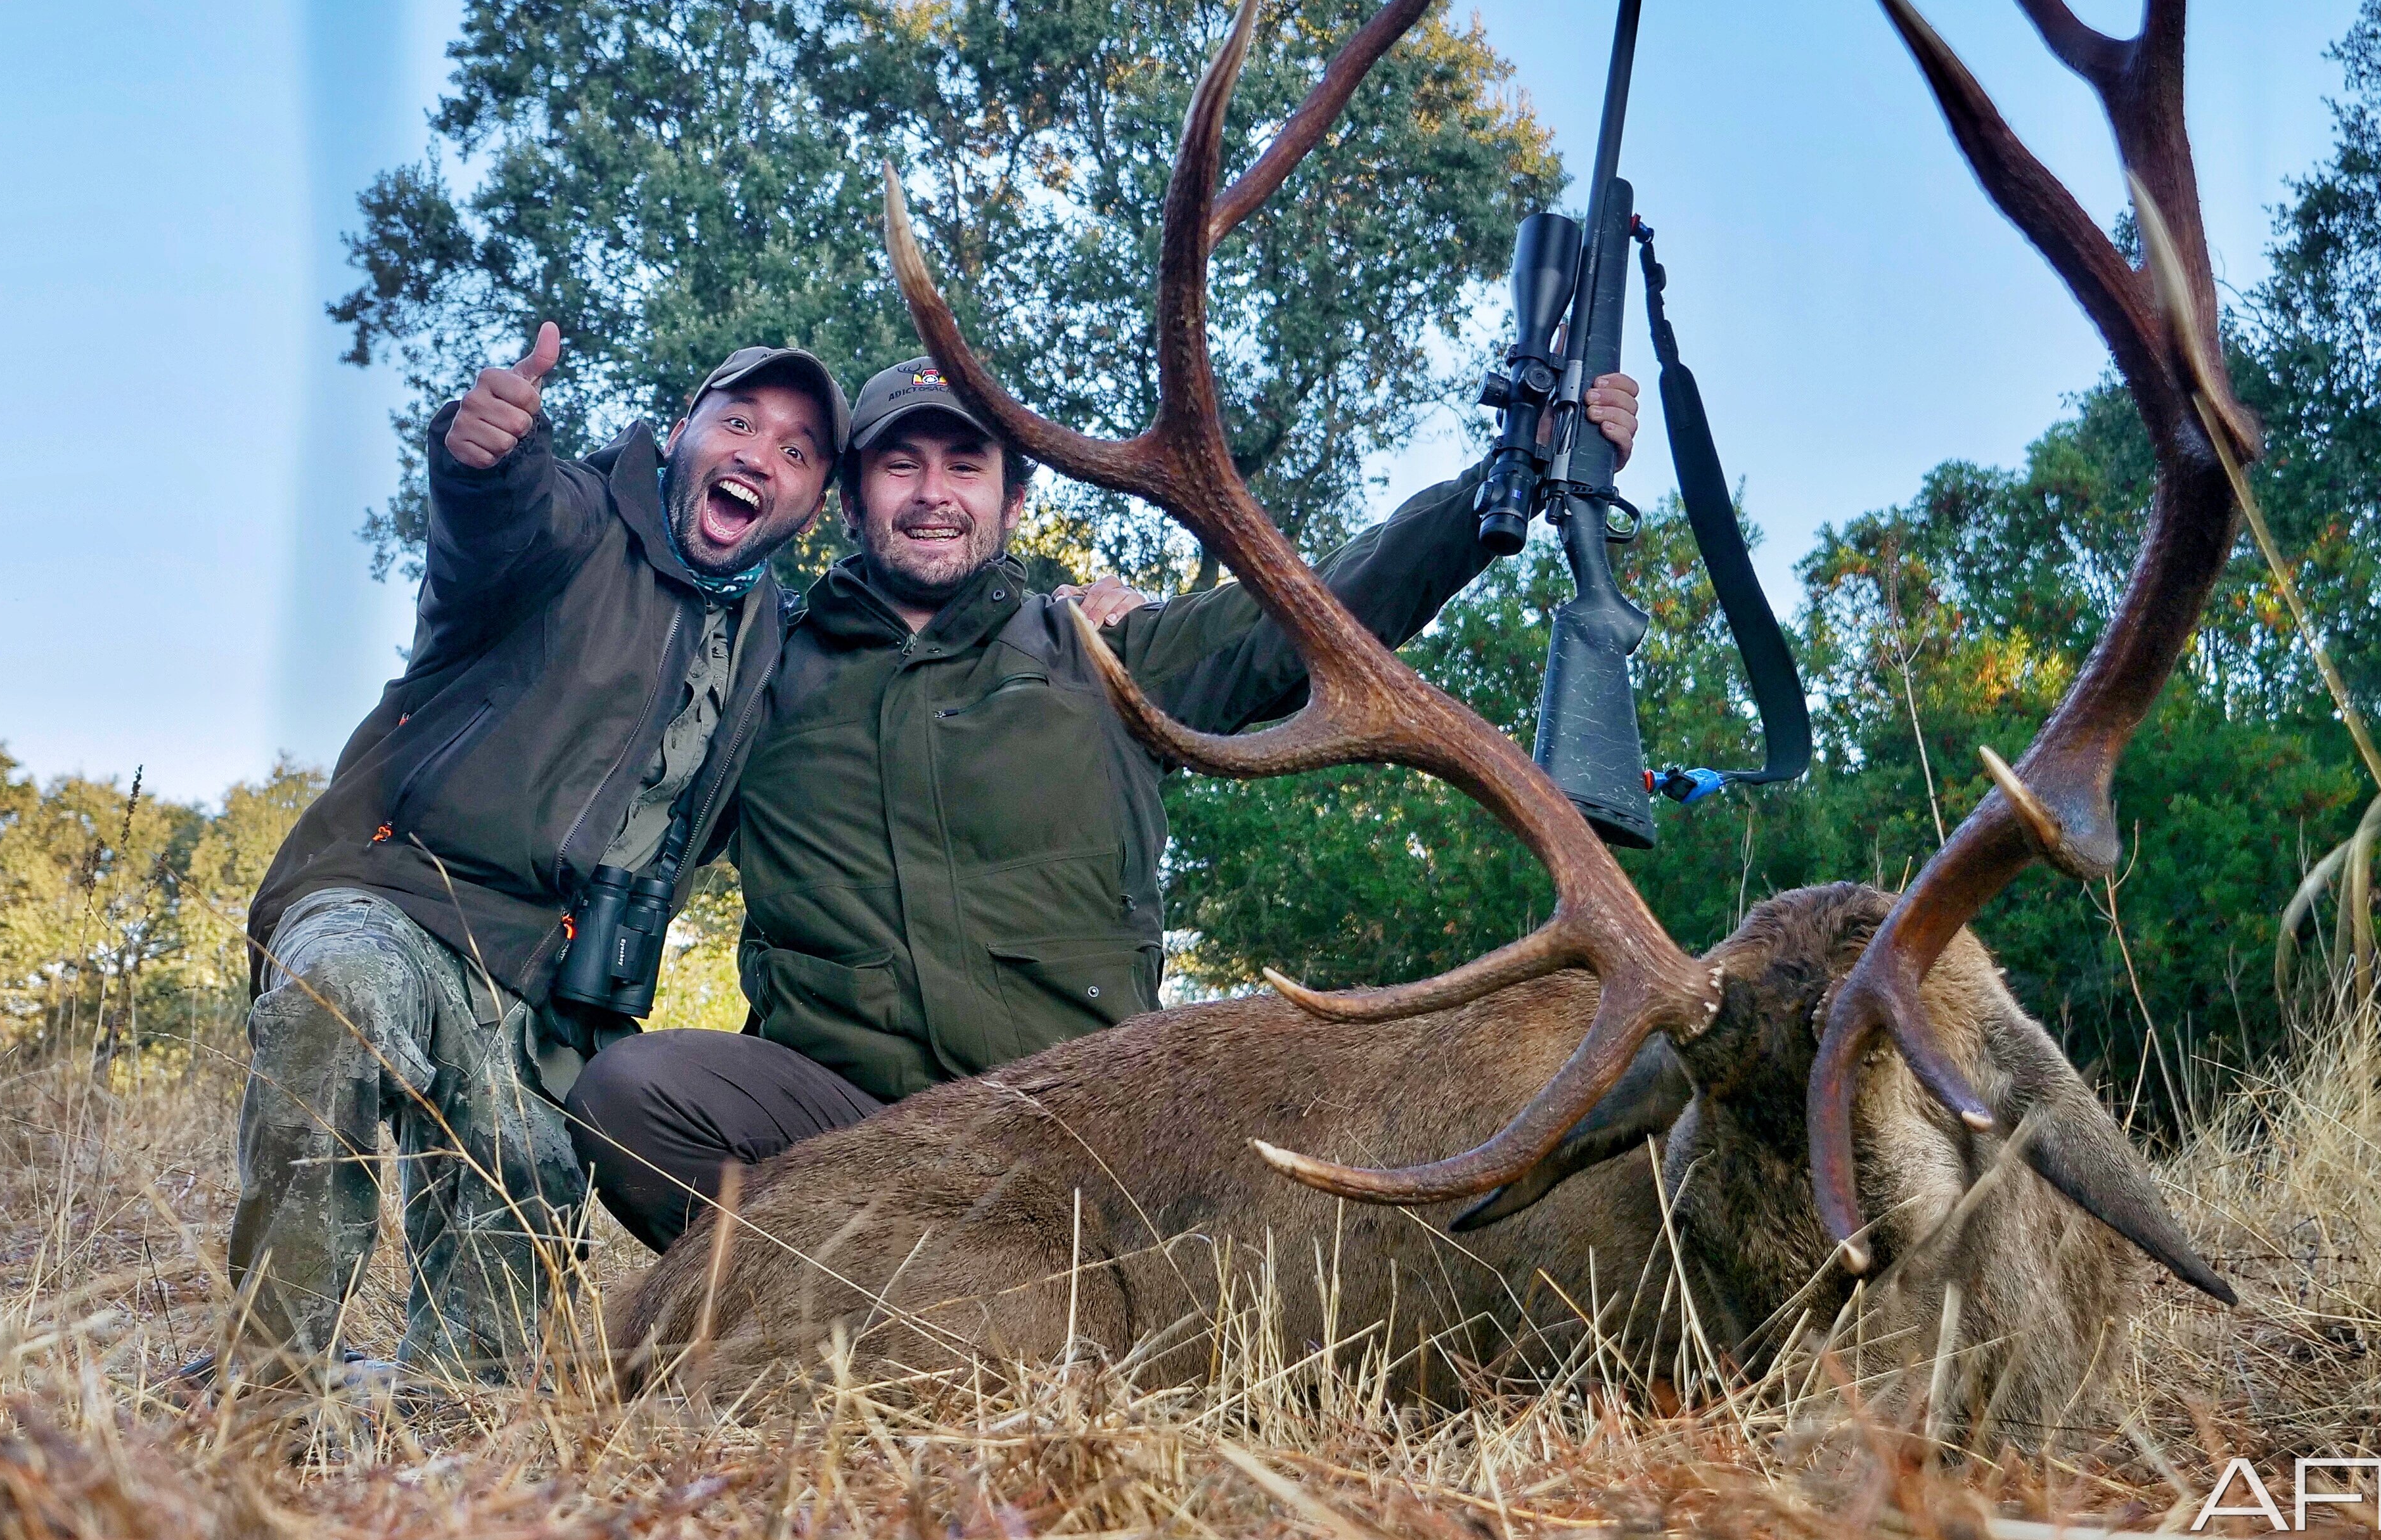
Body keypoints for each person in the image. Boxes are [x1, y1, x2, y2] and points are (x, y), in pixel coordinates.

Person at [565, 356, 1640, 1250]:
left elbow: (1304, 613)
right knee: (632, 1093)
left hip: (1079, 1131)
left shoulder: (1107, 655)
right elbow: (625, 796)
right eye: (899, 467)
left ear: (1012, 499)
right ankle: (874, 1308)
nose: (931, 493)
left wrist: (1495, 486)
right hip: (847, 1136)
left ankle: (954, 1317)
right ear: (852, 501)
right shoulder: (765, 668)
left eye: (963, 466)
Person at [223, 323, 846, 1384]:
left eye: (794, 451)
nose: (757, 456)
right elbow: (496, 519)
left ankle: (417, 1422)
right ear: (683, 430)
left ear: (813, 505)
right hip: (393, 896)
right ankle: (265, 1391)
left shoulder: (776, 643)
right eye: (737, 422)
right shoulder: (577, 520)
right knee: (335, 997)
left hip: (545, 994)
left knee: (487, 1363)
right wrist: (484, 457)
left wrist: (1072, 614)